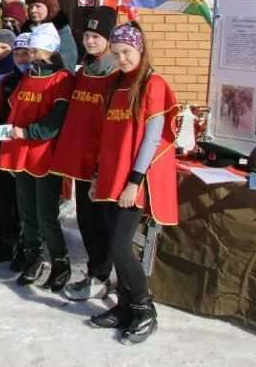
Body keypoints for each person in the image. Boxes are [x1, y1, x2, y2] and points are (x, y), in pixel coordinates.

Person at [89, 22, 179, 344]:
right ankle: (124, 307)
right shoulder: (115, 84)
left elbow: (152, 139)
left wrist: (134, 182)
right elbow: (109, 138)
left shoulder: (152, 84)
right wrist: (99, 175)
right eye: (116, 53)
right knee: (115, 246)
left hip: (133, 181)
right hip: (112, 178)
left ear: (140, 48)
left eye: (126, 52)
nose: (122, 59)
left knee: (120, 248)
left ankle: (145, 309)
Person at [49, 6, 119, 300]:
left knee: (102, 223)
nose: (90, 42)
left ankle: (103, 274)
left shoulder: (116, 75)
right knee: (86, 220)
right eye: (87, 36)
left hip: (102, 164)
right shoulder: (83, 70)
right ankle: (95, 271)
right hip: (81, 160)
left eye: (96, 37)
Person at [0, 23, 74, 290]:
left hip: (44, 154)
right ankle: (33, 257)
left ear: (48, 50)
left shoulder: (62, 78)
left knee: (46, 215)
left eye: (35, 50)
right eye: (30, 51)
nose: (30, 55)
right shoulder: (29, 76)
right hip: (21, 152)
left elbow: (56, 119)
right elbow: (16, 107)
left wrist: (29, 131)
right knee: (27, 212)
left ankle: (60, 261)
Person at [0, 32, 31, 265]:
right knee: (0, 200)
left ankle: (26, 246)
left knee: (24, 203)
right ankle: (3, 239)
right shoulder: (7, 82)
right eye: (18, 54)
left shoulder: (42, 79)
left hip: (30, 152)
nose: (21, 58)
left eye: (24, 53)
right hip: (5, 150)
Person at [25, 0, 77, 70]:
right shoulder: (29, 29)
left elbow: (67, 60)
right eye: (31, 7)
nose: (33, 10)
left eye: (38, 6)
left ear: (50, 7)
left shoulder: (60, 29)